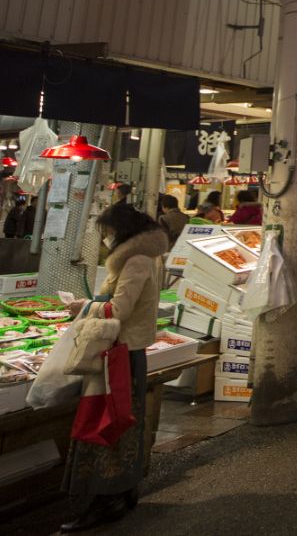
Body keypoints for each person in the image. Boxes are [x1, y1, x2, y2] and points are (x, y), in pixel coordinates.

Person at [60, 203, 167, 532]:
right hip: (129, 351)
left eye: (107, 231)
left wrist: (85, 306)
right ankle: (124, 490)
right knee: (124, 422)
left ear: (121, 231)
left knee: (108, 425)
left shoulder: (135, 261)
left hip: (120, 353)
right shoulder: (147, 256)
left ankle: (107, 500)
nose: (106, 237)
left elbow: (119, 309)